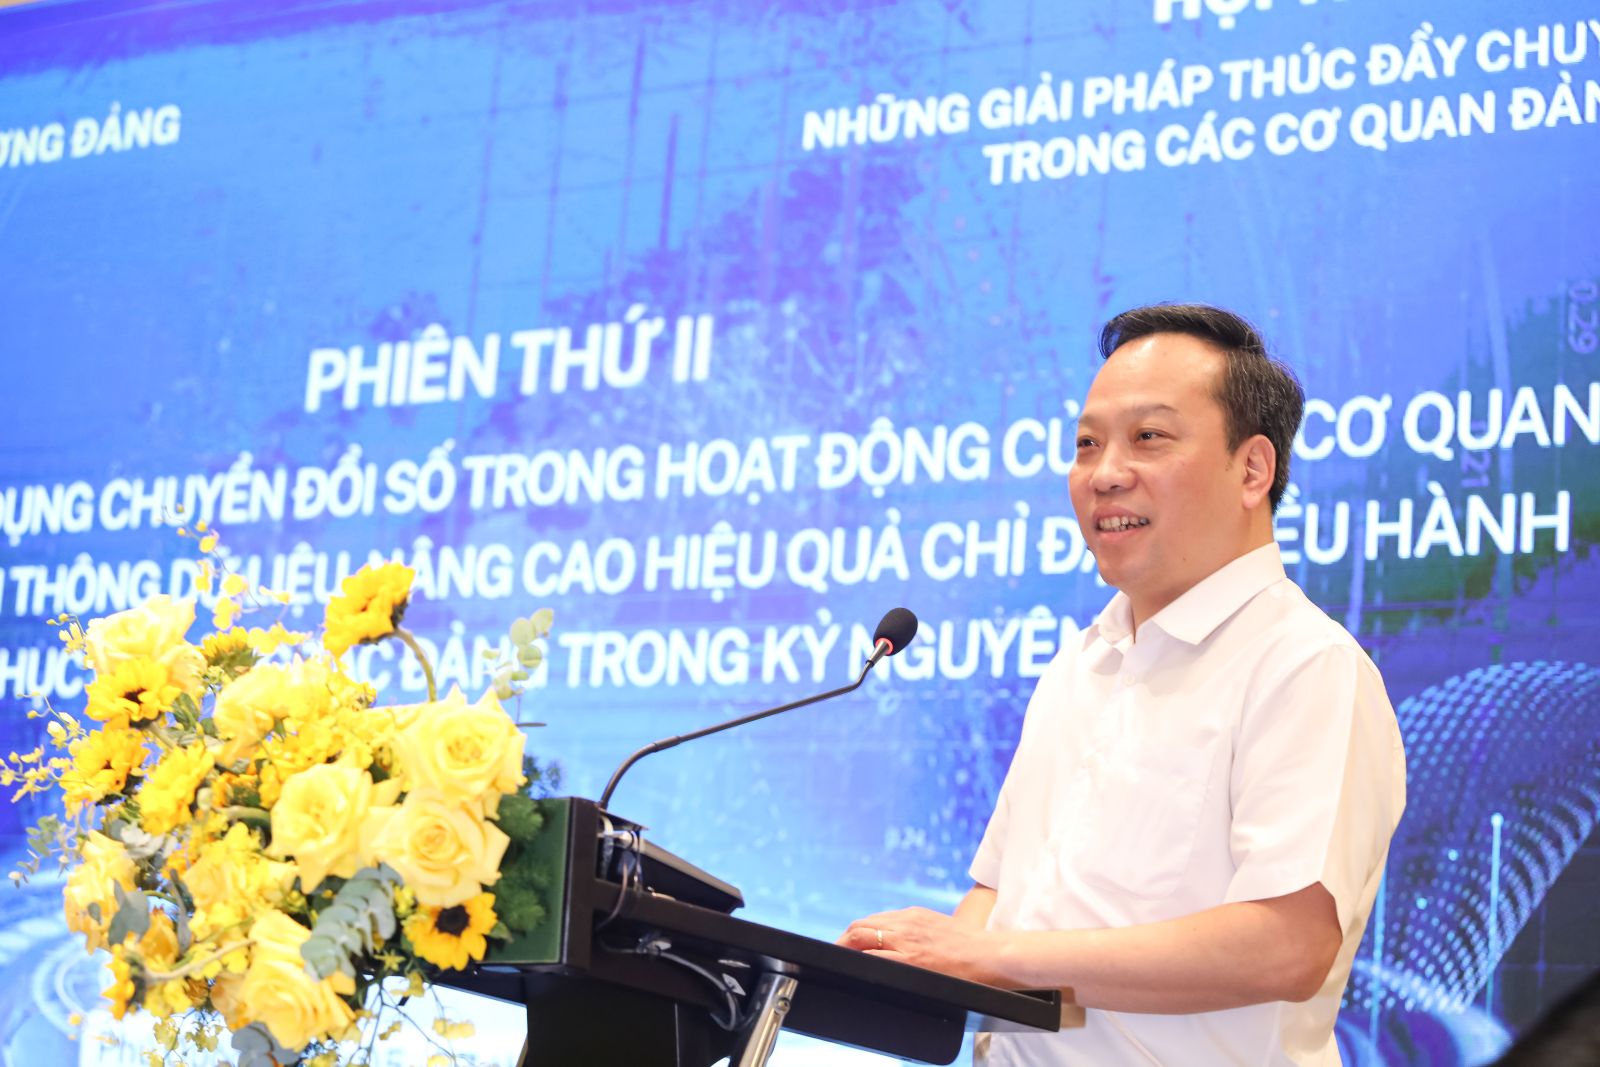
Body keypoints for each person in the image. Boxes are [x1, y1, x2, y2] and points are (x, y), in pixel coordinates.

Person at [839, 304, 1407, 1066]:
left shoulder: (1305, 665)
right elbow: (1002, 899)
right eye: (1086, 443)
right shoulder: (1079, 665)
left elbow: (1286, 942)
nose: (1104, 473)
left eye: (1149, 437)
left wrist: (993, 957)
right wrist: (905, 963)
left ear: (1253, 469)